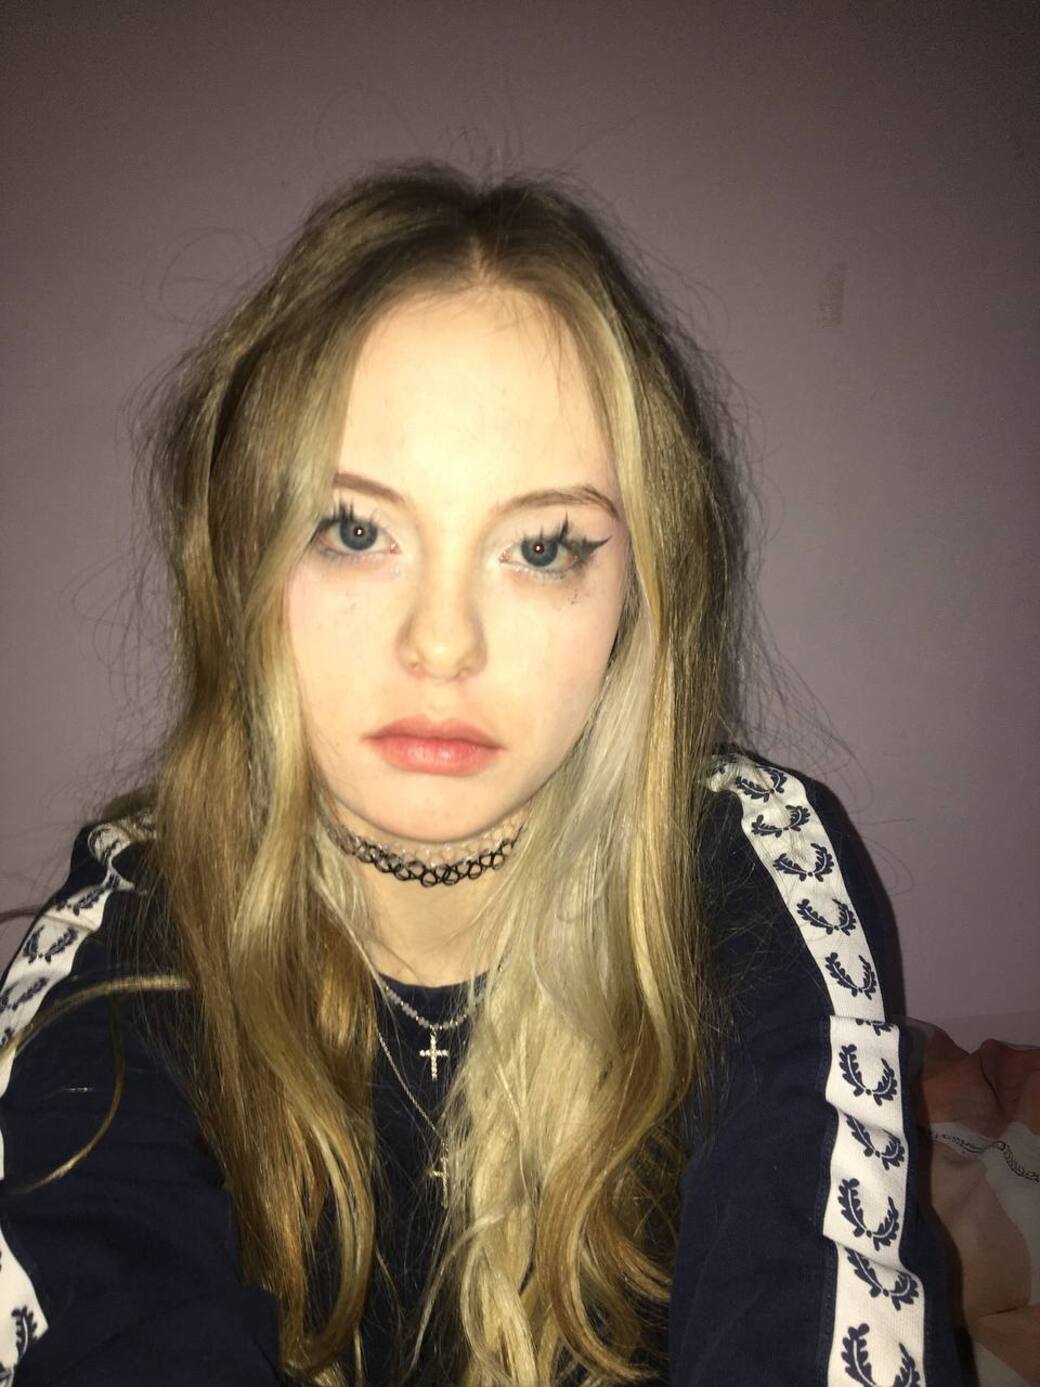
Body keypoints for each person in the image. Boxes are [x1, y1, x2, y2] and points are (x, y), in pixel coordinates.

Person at [0, 162, 961, 1386]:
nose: (442, 645)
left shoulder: (750, 875)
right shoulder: (136, 929)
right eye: (355, 531)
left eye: (542, 547)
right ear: (241, 560)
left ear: (638, 592)